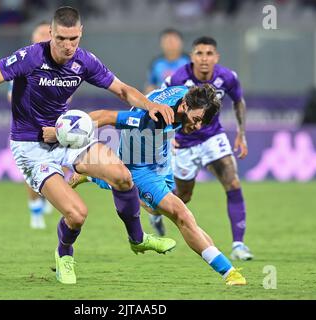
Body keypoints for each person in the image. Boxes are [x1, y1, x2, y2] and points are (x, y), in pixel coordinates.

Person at [0, 6, 176, 285]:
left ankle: (138, 239)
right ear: (50, 33)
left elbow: (122, 89)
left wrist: (150, 104)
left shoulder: (84, 61)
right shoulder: (31, 58)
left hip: (66, 137)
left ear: (81, 34)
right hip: (31, 148)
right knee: (77, 214)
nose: (67, 45)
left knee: (123, 177)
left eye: (73, 39)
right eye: (61, 38)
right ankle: (64, 254)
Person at [69, 84, 246, 285]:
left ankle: (97, 178)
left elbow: (163, 91)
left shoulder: (186, 94)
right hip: (139, 167)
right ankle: (228, 272)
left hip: (160, 157)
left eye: (201, 123)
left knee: (161, 211)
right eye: (196, 120)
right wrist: (68, 132)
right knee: (181, 215)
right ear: (185, 106)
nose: (197, 127)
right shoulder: (154, 117)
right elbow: (106, 116)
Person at [161, 36, 253, 261]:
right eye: (199, 53)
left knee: (232, 182)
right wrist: (167, 134)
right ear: (191, 56)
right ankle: (156, 213)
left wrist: (241, 133)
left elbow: (238, 101)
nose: (204, 59)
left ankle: (239, 244)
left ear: (216, 57)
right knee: (183, 197)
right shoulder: (179, 78)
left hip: (213, 139)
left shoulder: (227, 77)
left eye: (209, 53)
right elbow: (157, 103)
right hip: (183, 144)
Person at [7, 21, 54, 230]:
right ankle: (35, 210)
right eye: (40, 33)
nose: (44, 36)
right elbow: (11, 95)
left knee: (58, 166)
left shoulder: (61, 64)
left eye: (48, 33)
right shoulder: (23, 62)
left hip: (54, 127)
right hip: (28, 129)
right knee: (32, 172)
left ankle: (47, 197)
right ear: (33, 38)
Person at [144, 28, 190, 94]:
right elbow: (150, 85)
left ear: (181, 42)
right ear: (161, 44)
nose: (170, 44)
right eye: (167, 41)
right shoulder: (156, 64)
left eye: (174, 41)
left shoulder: (189, 61)